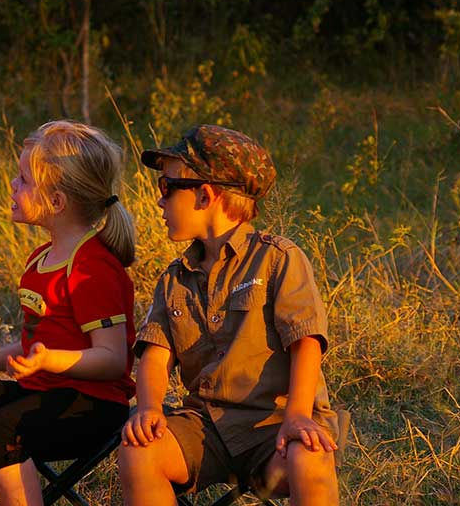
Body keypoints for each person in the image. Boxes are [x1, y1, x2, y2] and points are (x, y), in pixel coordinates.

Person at [117, 125, 340, 506]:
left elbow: (306, 343)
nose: (160, 201)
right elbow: (155, 354)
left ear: (205, 195)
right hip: (206, 427)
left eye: (167, 187)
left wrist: (299, 415)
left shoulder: (278, 259)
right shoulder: (174, 278)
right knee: (139, 451)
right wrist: (151, 408)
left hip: (275, 423)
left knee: (310, 457)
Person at [0, 120, 136, 506]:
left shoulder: (92, 268)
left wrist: (50, 361)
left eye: (23, 180)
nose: (12, 187)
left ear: (56, 202)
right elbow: (35, 343)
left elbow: (113, 360)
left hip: (92, 405)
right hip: (44, 390)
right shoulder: (41, 259)